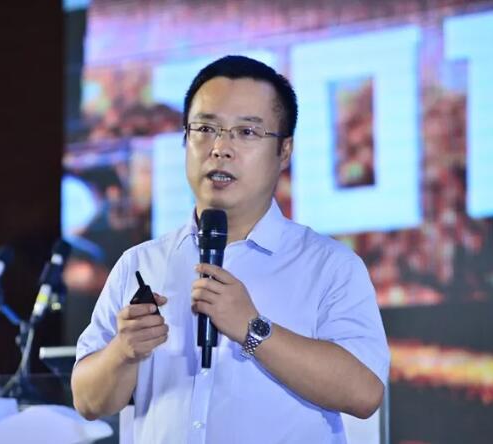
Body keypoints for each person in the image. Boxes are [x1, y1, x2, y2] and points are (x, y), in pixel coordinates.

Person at [71, 55, 390, 443]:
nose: (220, 148)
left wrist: (253, 329)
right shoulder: (141, 263)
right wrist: (124, 351)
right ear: (185, 139)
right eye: (206, 128)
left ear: (284, 151)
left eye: (246, 132)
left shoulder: (330, 266)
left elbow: (363, 393)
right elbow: (87, 400)